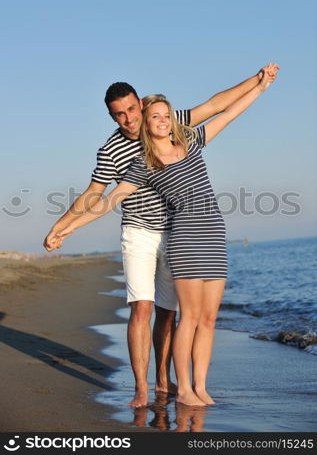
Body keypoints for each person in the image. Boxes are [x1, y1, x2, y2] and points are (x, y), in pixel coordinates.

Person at [44, 67, 279, 407]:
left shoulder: (178, 129)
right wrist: (63, 226)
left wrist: (258, 83)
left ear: (143, 106)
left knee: (174, 314)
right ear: (112, 116)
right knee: (145, 307)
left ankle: (169, 381)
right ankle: (148, 387)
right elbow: (100, 197)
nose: (128, 119)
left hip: (185, 231)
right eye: (118, 115)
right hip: (143, 231)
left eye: (132, 110)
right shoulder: (126, 156)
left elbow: (218, 108)